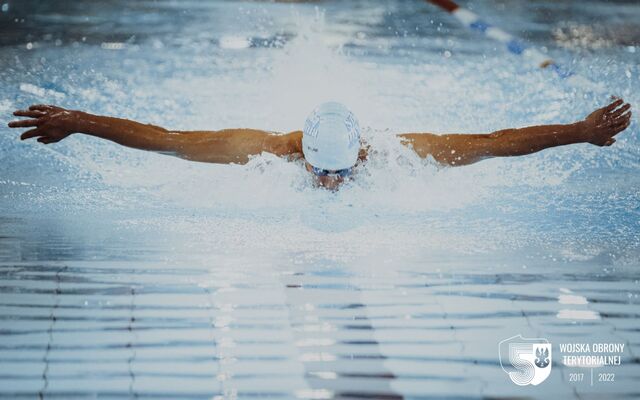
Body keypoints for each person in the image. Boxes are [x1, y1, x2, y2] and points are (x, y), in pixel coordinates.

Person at [7, 99, 632, 190]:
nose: (330, 184)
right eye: (320, 170)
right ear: (299, 152)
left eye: (340, 171)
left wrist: (579, 132)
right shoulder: (258, 148)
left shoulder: (398, 150)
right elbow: (165, 141)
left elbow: (496, 143)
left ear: (361, 153)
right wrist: (77, 120)